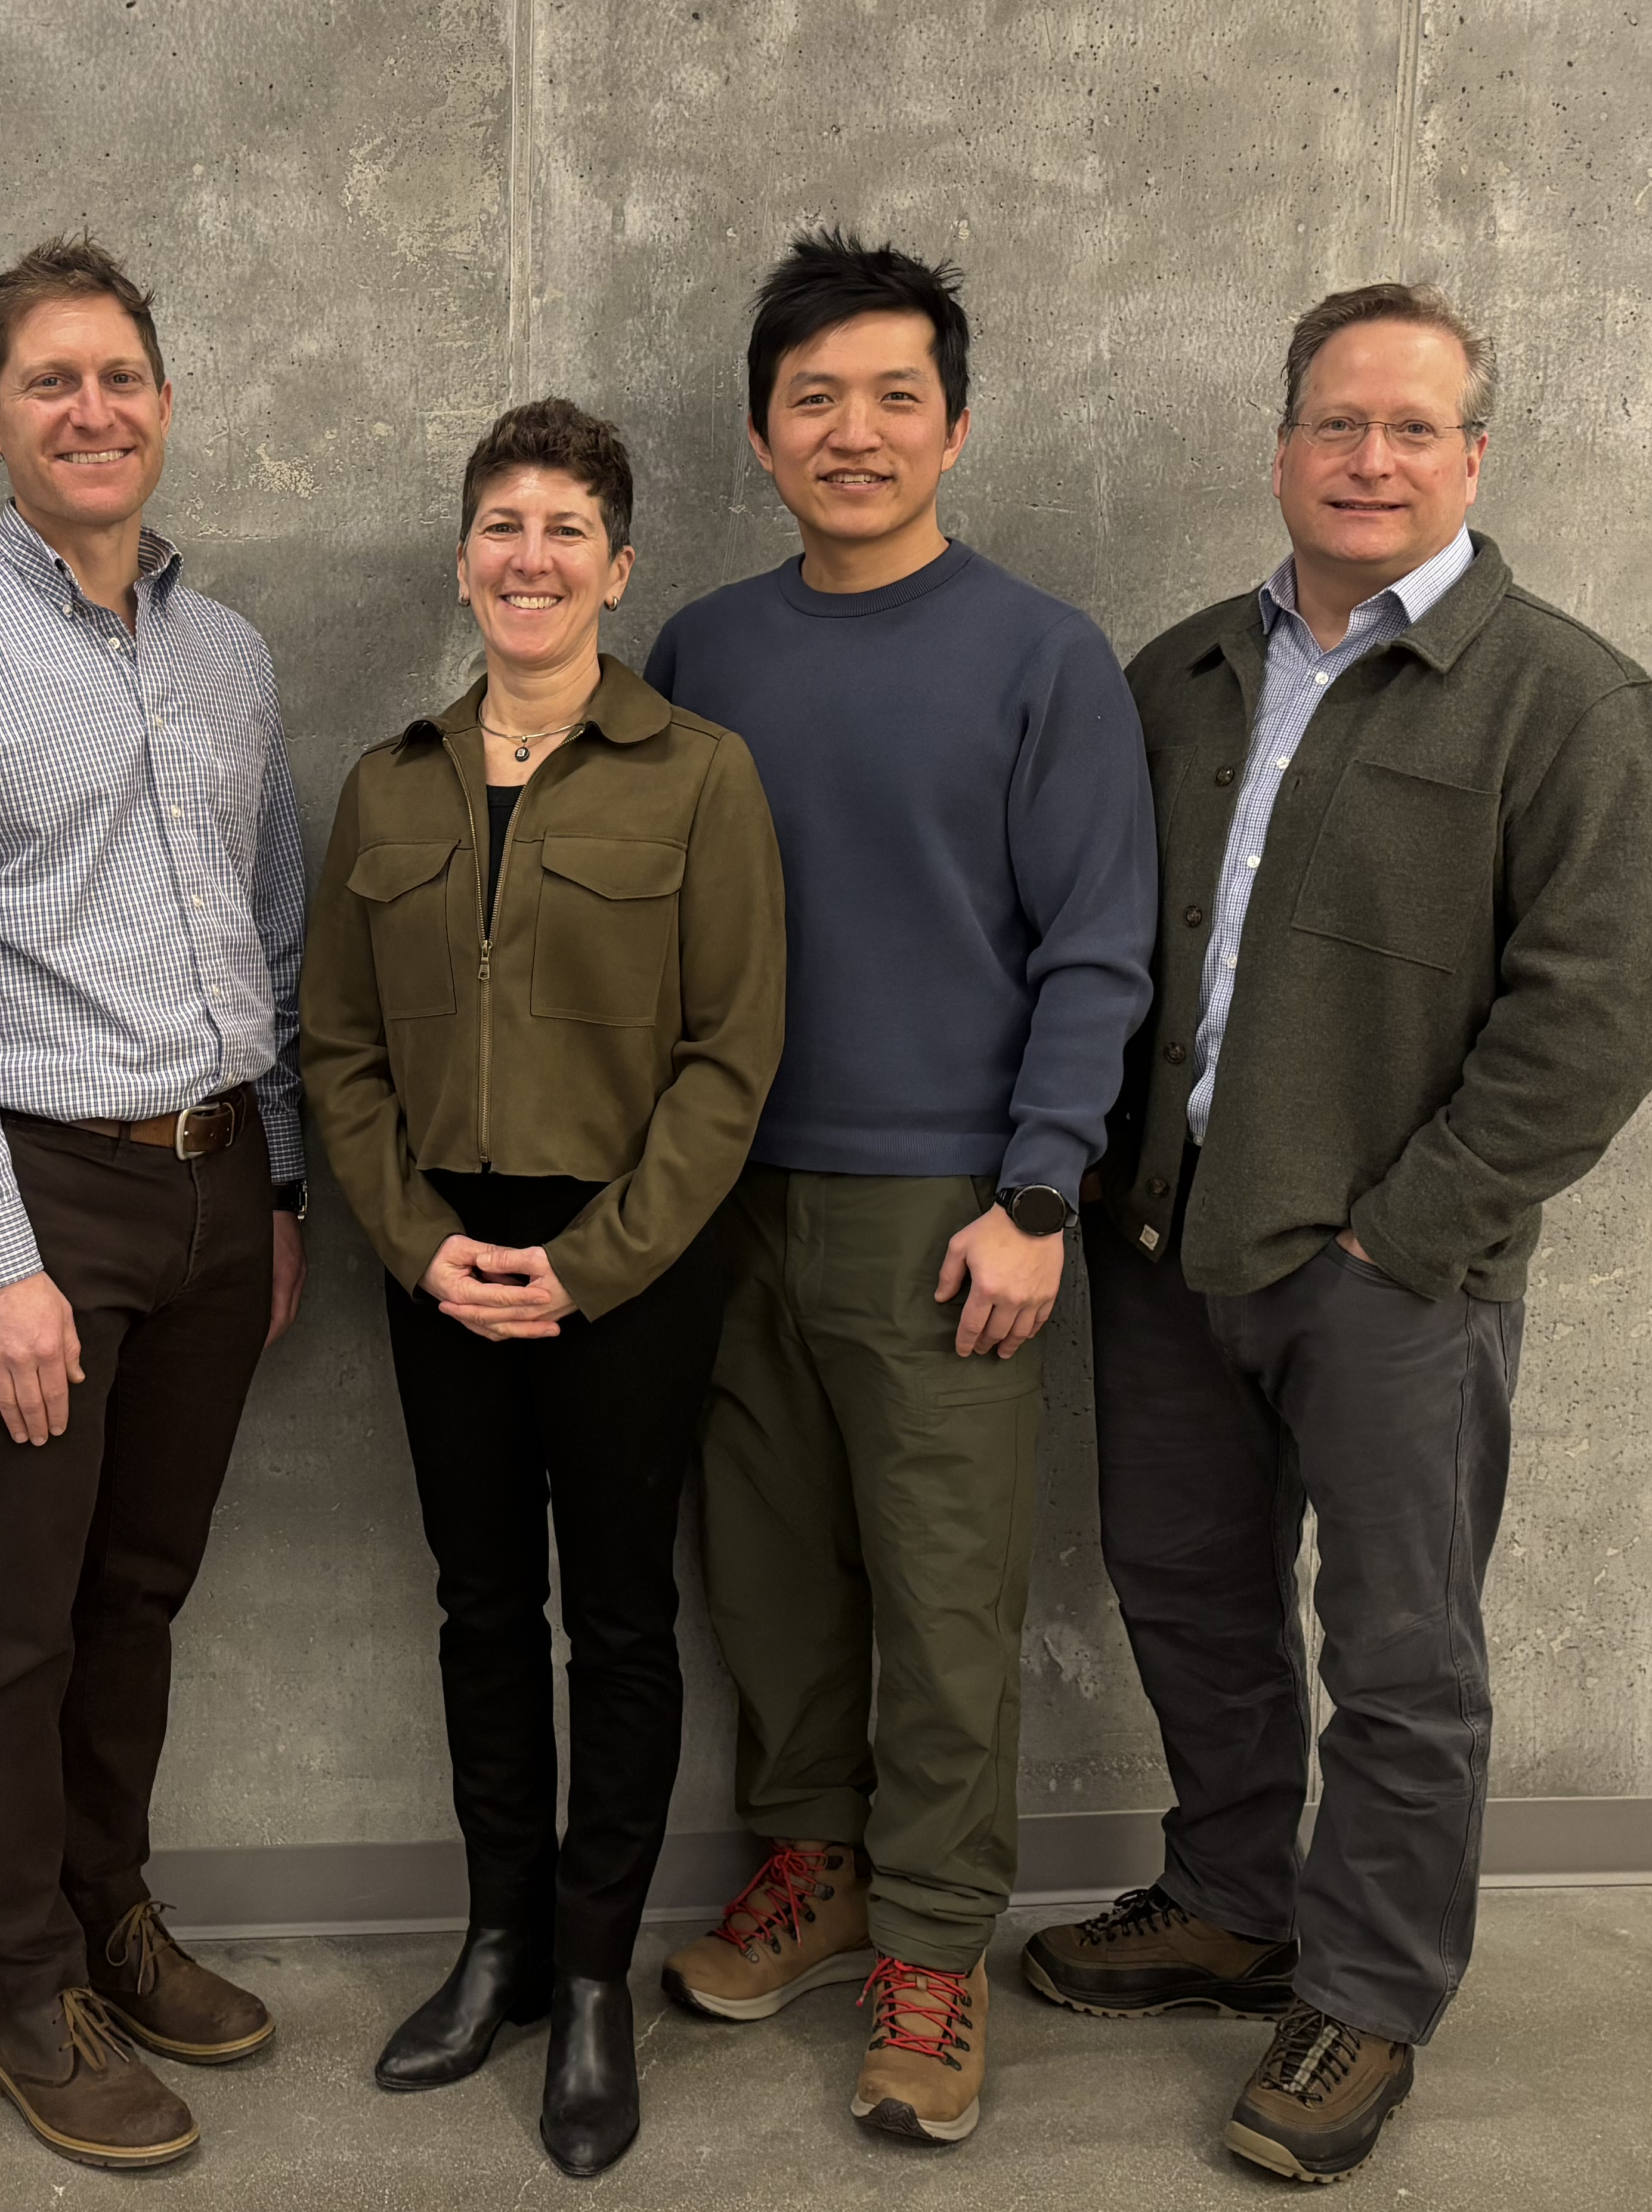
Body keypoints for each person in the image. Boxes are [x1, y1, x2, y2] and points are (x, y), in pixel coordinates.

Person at [1023, 283, 1652, 2185]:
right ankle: (1233, 1900)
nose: (1371, 459)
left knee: (1400, 1649)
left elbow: (1592, 1018)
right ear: (1284, 442)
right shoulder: (1180, 679)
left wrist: (1412, 1233)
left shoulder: (1567, 701)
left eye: (1413, 428)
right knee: (1187, 1590)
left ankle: (1370, 1995)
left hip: (1394, 1277)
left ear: (1473, 453)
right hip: (1172, 1252)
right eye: (1337, 424)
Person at [642, 231, 1158, 2145]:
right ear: (762, 436)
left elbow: (1099, 944)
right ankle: (818, 1863)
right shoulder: (703, 645)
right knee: (767, 1576)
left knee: (945, 1602)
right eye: (812, 400)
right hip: (723, 1196)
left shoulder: (1041, 656)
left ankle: (937, 1946)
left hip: (947, 1208)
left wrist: (1038, 1195)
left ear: (955, 423)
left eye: (893, 397)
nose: (853, 433)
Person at [0, 236, 308, 2173]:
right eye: (51, 384)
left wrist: (272, 1187)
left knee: (143, 1587)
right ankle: (22, 1986)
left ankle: (112, 1911)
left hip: (213, 1189)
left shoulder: (233, 653)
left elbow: (267, 923)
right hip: (35, 1187)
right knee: (12, 1611)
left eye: (121, 377)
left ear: (163, 403)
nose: (92, 410)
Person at [303, 398, 784, 2177]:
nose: (530, 554)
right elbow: (338, 1047)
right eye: (501, 523)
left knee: (626, 1624)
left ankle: (593, 1976)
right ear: (464, 559)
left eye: (565, 527)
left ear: (620, 565)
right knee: (481, 1610)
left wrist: (585, 1265)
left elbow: (732, 1058)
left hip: (627, 1261)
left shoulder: (701, 774)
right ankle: (498, 1943)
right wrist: (421, 1243)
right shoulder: (393, 779)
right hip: (436, 1257)